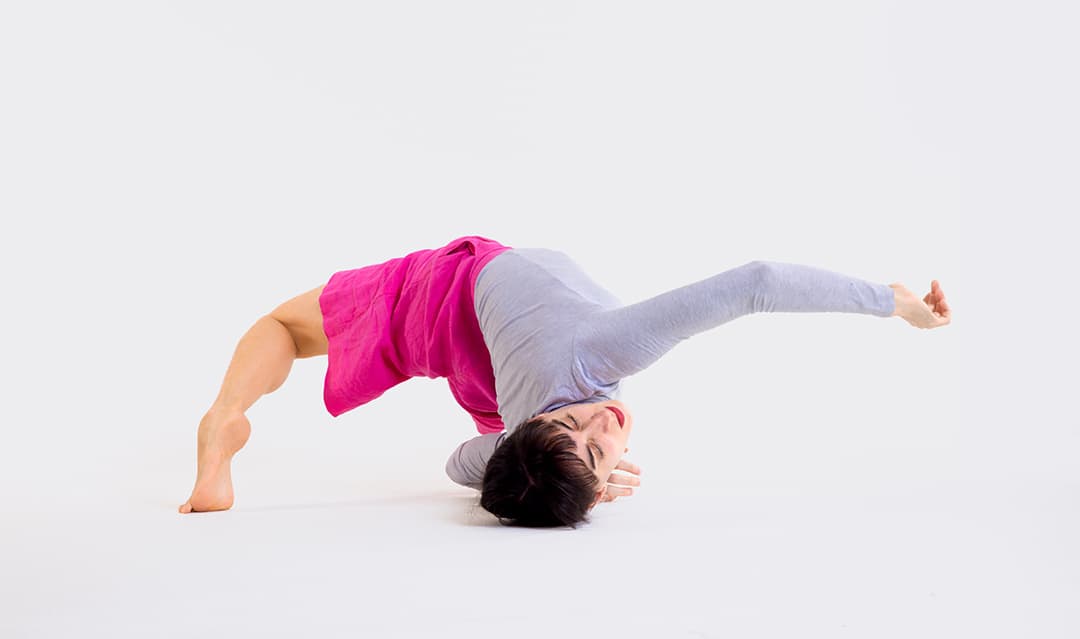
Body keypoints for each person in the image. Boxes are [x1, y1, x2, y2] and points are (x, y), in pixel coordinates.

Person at [178, 235, 952, 528]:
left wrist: (893, 304)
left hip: (446, 304)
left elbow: (754, 280)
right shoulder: (517, 440)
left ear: (522, 439)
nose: (602, 422)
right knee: (288, 327)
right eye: (596, 447)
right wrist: (890, 302)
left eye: (571, 433)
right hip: (470, 354)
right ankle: (221, 431)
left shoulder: (595, 358)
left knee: (280, 326)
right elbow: (461, 462)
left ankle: (223, 422)